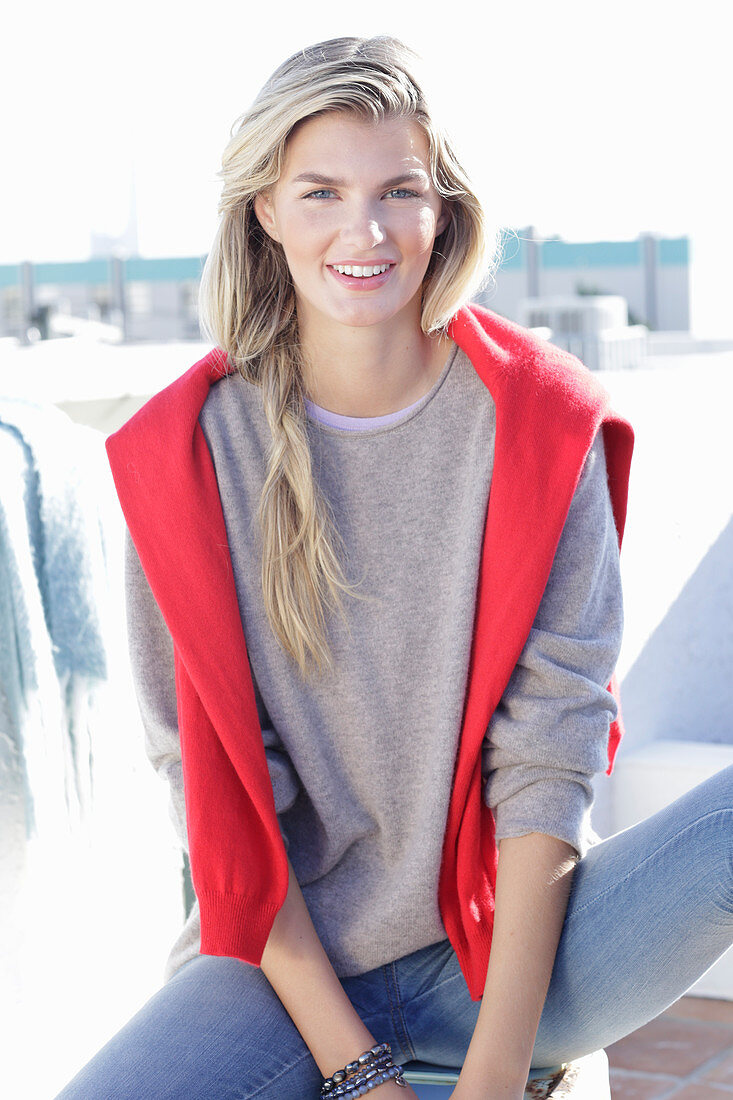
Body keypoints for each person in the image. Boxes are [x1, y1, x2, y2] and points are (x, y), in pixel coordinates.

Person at [56, 35, 733, 1100]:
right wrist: (365, 1076)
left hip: (519, 956)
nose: (362, 232)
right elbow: (223, 802)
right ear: (265, 211)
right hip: (279, 979)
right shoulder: (185, 456)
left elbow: (547, 763)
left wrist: (499, 1071)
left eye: (397, 191)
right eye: (319, 190)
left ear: (444, 210)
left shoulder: (539, 421)